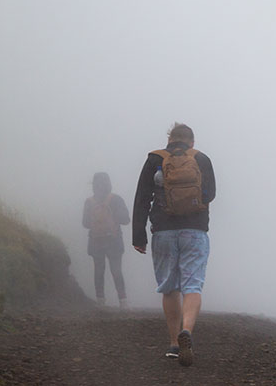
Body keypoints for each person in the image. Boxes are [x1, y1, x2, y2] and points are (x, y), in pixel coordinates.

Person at [132, 123, 216, 366]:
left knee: (169, 287)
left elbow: (141, 199)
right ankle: (187, 331)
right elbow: (209, 194)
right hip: (195, 230)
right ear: (192, 142)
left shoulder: (154, 160)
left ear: (169, 139)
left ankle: (173, 343)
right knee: (193, 285)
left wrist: (139, 236)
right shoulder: (200, 159)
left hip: (163, 231)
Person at [82, 172, 130, 307]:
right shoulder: (116, 199)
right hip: (114, 240)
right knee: (116, 270)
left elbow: (85, 224)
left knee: (98, 270)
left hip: (95, 241)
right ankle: (123, 301)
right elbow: (126, 220)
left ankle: (100, 300)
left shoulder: (89, 202)